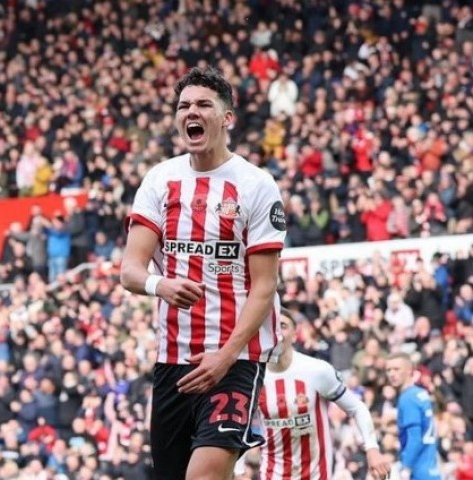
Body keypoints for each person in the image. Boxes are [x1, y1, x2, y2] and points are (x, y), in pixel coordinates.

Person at [120, 66, 286, 480]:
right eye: (183, 105)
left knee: (204, 475)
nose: (190, 111)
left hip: (236, 358)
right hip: (173, 360)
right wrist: (161, 285)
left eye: (202, 104)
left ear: (226, 118)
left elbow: (265, 287)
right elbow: (130, 270)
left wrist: (226, 357)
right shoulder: (160, 180)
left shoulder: (256, 185)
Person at [249, 308, 391, 479]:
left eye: (283, 325)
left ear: (295, 335)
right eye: (271, 326)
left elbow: (357, 408)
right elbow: (239, 424)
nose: (277, 331)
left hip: (316, 475)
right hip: (272, 474)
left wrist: (372, 448)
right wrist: (239, 469)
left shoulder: (317, 370)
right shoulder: (253, 376)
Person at [385, 353, 442, 480]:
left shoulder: (407, 398)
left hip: (418, 471)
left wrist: (406, 467)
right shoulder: (421, 393)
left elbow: (414, 437)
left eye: (396, 369)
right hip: (430, 468)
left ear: (409, 370)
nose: (391, 374)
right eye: (388, 370)